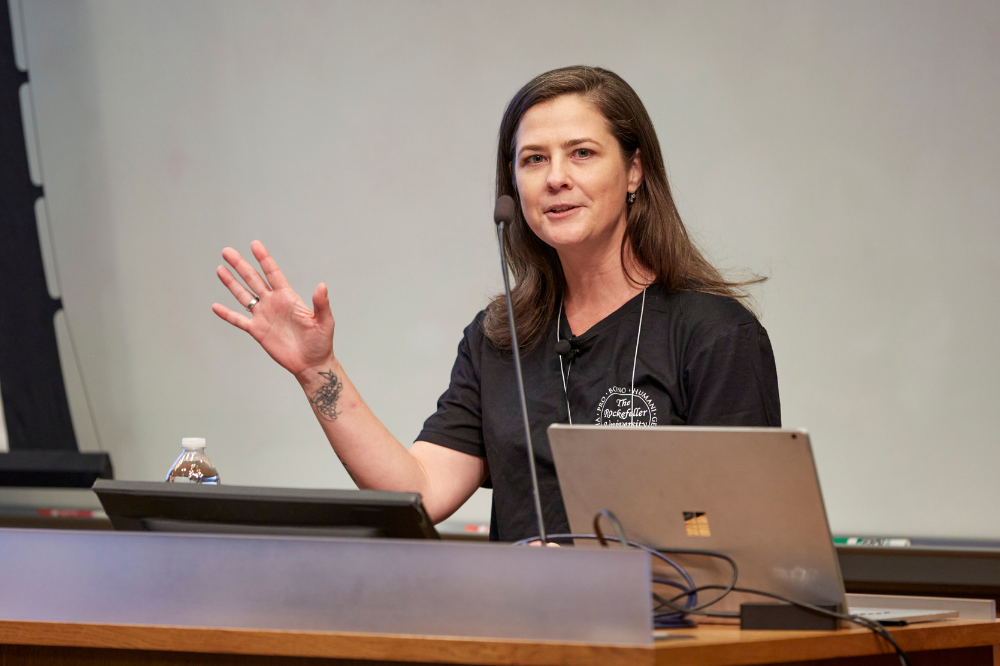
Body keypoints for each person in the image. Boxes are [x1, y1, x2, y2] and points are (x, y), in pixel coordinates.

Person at [213, 66, 779, 543]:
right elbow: (420, 490)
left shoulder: (715, 334)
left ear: (634, 171)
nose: (555, 178)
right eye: (533, 160)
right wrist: (317, 372)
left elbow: (738, 529)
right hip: (520, 632)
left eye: (581, 153)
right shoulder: (501, 337)